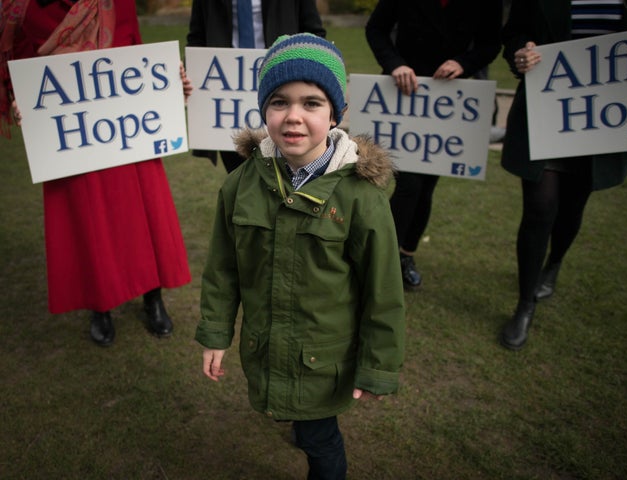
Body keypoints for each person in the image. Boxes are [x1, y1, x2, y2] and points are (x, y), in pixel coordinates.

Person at [195, 33, 406, 479]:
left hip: (322, 358)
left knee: (319, 439)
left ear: (335, 113)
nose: (293, 116)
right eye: (279, 101)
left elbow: (383, 290)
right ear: (263, 110)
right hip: (268, 346)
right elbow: (222, 269)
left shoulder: (360, 198)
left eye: (311, 102)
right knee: (302, 420)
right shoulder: (240, 184)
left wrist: (378, 366)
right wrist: (215, 332)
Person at [0, 0, 192, 347]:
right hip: (70, 129)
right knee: (87, 219)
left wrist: (164, 78)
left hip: (126, 123)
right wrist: (21, 98)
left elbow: (133, 49)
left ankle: (153, 296)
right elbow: (23, 61)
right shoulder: (24, 6)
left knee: (141, 209)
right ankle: (99, 306)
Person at [498, 0, 627, 350]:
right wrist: (521, 53)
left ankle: (554, 263)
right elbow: (514, 34)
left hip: (604, 122)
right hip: (546, 114)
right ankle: (525, 303)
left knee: (571, 208)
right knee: (539, 208)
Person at [365, 0, 503, 289]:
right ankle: (382, 260)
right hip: (401, 96)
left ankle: (405, 255)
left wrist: (464, 63)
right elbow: (376, 29)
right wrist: (395, 64)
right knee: (409, 184)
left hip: (449, 102)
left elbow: (491, 44)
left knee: (426, 186)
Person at [186, 0, 326, 173]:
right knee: (239, 176)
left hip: (283, 83)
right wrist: (191, 74)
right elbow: (197, 36)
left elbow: (314, 32)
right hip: (226, 93)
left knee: (286, 171)